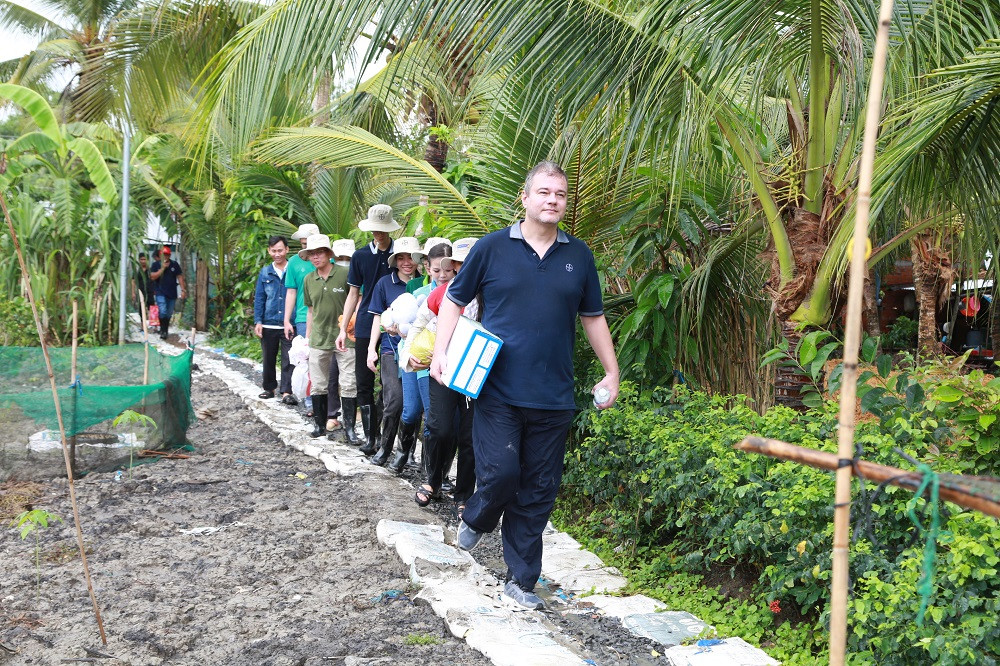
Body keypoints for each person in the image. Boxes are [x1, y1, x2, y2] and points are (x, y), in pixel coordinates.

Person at [430, 162, 620, 610]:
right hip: (496, 389)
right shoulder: (492, 248)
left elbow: (592, 316)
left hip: (554, 395)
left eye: (560, 194)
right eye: (544, 192)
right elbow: (454, 301)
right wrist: (442, 352)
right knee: (501, 474)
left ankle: (521, 579)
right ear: (526, 197)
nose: (553, 199)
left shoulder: (580, 256)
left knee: (538, 489)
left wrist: (611, 371)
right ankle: (477, 514)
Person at [408, 238, 476, 515]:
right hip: (444, 370)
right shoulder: (444, 293)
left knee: (470, 435)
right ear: (455, 266)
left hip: (476, 375)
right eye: (459, 262)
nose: (462, 267)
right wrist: (409, 357)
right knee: (440, 427)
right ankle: (432, 480)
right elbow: (419, 323)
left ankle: (464, 494)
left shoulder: (493, 295)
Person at [336, 204, 399, 452]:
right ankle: (370, 438)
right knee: (364, 381)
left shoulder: (400, 255)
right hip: (364, 323)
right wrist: (343, 328)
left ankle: (386, 436)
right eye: (375, 230)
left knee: (390, 384)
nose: (379, 234)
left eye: (382, 229)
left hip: (395, 325)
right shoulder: (361, 256)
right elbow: (353, 293)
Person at [398, 240, 454, 474]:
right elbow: (406, 329)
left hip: (446, 364)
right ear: (427, 268)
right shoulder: (420, 293)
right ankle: (404, 453)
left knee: (439, 419)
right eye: (436, 270)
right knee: (412, 411)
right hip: (418, 361)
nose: (442, 275)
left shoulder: (463, 294)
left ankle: (433, 471)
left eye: (448, 270)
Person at [364, 236, 421, 464]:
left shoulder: (423, 283)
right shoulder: (384, 284)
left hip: (417, 352)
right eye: (401, 257)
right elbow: (377, 316)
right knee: (394, 399)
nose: (406, 262)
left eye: (411, 257)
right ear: (395, 260)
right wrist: (371, 349)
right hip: (390, 349)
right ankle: (384, 448)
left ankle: (406, 452)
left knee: (413, 405)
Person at [299, 234, 353, 438]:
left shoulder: (344, 273)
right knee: (319, 383)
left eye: (319, 252)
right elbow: (310, 311)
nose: (315, 257)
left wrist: (351, 327)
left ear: (329, 254)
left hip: (344, 336)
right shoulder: (308, 280)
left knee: (348, 383)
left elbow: (355, 300)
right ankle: (319, 425)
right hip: (319, 338)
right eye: (311, 253)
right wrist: (307, 338)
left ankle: (349, 429)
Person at [282, 223, 321, 407]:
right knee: (307, 358)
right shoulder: (294, 263)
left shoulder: (328, 260)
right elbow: (291, 292)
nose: (306, 247)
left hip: (327, 316)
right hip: (303, 317)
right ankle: (310, 401)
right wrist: (286, 320)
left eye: (309, 243)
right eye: (303, 243)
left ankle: (325, 400)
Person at [253, 236, 295, 402]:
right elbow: (260, 298)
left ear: (286, 250)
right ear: (269, 251)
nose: (277, 254)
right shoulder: (265, 272)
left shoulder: (292, 269)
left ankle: (286, 391)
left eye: (280, 250)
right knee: (268, 358)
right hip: (269, 322)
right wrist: (258, 321)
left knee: (288, 358)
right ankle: (269, 388)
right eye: (273, 251)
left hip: (289, 322)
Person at [328, 238, 359, 444]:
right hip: (328, 332)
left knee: (349, 378)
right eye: (340, 258)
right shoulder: (324, 276)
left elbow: (359, 297)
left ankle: (349, 423)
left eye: (348, 258)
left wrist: (352, 322)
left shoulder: (356, 275)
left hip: (349, 332)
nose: (344, 262)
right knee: (331, 375)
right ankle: (331, 414)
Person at [150, 246, 186, 340]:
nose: (165, 257)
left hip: (172, 293)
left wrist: (183, 290)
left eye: (167, 255)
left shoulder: (175, 264)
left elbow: (180, 277)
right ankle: (163, 330)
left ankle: (165, 329)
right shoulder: (156, 265)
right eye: (163, 255)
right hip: (160, 292)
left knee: (169, 313)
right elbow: (152, 277)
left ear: (169, 255)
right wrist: (162, 268)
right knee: (162, 310)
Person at [131, 252, 155, 319]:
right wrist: (133, 292)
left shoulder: (151, 270)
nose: (143, 261)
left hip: (150, 292)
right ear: (139, 260)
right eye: (142, 259)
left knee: (152, 308)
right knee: (141, 309)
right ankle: (143, 325)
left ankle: (154, 325)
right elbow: (133, 281)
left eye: (145, 259)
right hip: (140, 292)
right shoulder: (137, 271)